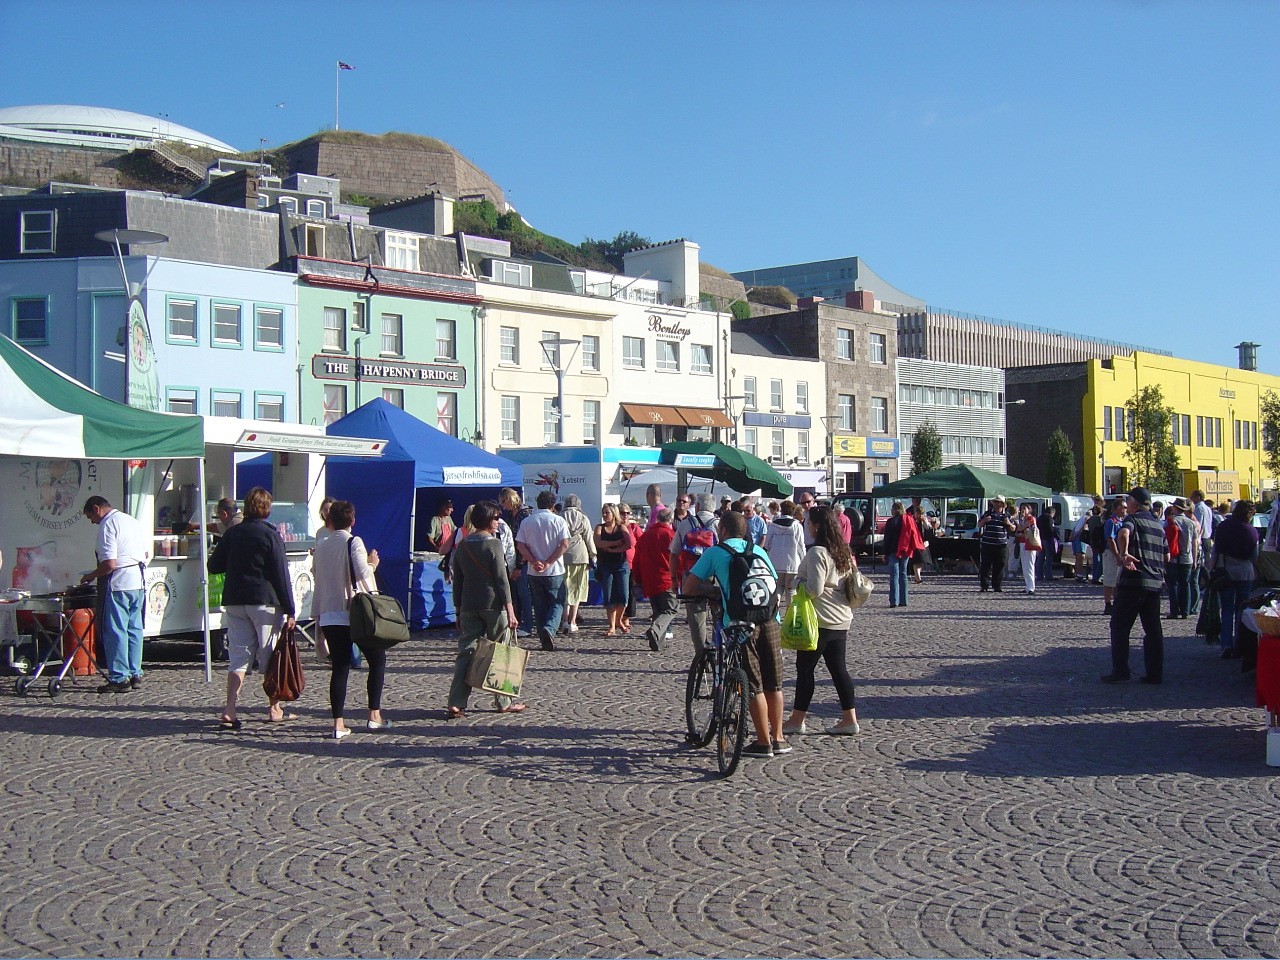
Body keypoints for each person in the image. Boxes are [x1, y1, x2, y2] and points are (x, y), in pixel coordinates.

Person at [681, 509, 786, 759]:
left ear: (723, 530)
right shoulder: (759, 551)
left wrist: (714, 591)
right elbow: (773, 583)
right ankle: (779, 737)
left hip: (739, 623)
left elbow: (690, 586)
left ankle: (763, 743)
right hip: (770, 619)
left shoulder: (716, 552)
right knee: (774, 682)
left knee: (753, 684)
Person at [207, 487, 297, 727]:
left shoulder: (233, 533)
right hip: (264, 602)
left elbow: (213, 565)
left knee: (238, 657)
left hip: (235, 600)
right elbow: (281, 575)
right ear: (266, 509)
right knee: (268, 655)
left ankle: (229, 709)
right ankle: (274, 708)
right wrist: (290, 609)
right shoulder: (270, 535)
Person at [310, 500, 390, 739]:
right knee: (377, 660)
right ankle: (374, 715)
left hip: (329, 612)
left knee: (340, 667)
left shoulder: (322, 546)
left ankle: (338, 723)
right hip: (353, 613)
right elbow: (362, 572)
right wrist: (372, 563)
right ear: (353, 521)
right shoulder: (354, 542)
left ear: (330, 520)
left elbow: (318, 575)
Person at [784, 505, 862, 737]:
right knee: (839, 670)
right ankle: (850, 718)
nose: (807, 526)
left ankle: (797, 720)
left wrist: (795, 583)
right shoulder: (843, 550)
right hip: (841, 617)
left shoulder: (818, 552)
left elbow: (814, 589)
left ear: (816, 526)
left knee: (805, 669)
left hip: (820, 620)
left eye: (809, 522)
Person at [447, 500, 526, 718]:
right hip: (494, 606)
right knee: (501, 652)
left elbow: (458, 581)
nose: (498, 522)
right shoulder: (494, 545)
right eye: (495, 518)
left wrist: (457, 610)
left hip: (469, 606)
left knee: (466, 653)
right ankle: (503, 701)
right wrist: (510, 609)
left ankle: (456, 702)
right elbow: (502, 580)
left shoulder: (463, 545)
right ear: (487, 520)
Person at [79, 496, 148, 694]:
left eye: (90, 516)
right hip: (138, 581)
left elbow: (110, 563)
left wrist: (90, 576)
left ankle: (119, 677)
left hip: (118, 583)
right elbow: (144, 553)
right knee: (134, 628)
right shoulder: (131, 521)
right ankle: (135, 672)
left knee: (116, 630)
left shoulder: (108, 525)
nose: (92, 521)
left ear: (96, 508)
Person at [1102, 487, 1166, 684]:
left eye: (1128, 501)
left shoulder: (1133, 519)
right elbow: (1166, 553)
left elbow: (1122, 533)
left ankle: (1121, 671)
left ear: (1135, 504)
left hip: (1134, 581)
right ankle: (1155, 673)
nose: (1127, 505)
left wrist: (1124, 553)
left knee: (1120, 626)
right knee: (1153, 630)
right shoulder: (1158, 525)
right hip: (1155, 583)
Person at [515, 490, 570, 650]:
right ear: (553, 505)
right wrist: (548, 562)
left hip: (533, 571)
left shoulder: (527, 521)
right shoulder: (558, 521)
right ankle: (550, 628)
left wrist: (533, 561)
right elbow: (564, 544)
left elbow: (520, 545)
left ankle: (543, 636)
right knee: (557, 602)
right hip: (554, 570)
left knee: (539, 605)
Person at [671, 492, 720, 655]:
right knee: (718, 614)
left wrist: (674, 579)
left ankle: (701, 655)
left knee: (696, 617)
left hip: (691, 575)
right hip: (715, 576)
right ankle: (718, 649)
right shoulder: (719, 524)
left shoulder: (685, 524)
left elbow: (674, 553)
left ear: (697, 506)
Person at [1211, 499, 1260, 659]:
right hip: (1245, 572)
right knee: (1242, 609)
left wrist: (1212, 568)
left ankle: (1226, 645)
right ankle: (1241, 644)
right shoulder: (1252, 531)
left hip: (1226, 570)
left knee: (1226, 609)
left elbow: (1216, 550)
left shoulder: (1223, 526)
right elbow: (1255, 556)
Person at [633, 507, 677, 651]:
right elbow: (677, 558)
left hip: (649, 580)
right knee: (671, 609)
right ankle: (655, 630)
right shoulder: (670, 535)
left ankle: (659, 643)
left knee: (658, 610)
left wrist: (638, 579)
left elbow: (636, 559)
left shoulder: (645, 536)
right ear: (670, 520)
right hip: (666, 579)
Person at [594, 503, 634, 637]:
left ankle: (618, 620)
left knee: (623, 596)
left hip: (621, 564)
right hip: (605, 565)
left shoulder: (621, 527)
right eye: (603, 512)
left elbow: (628, 544)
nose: (605, 515)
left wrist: (613, 549)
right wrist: (616, 543)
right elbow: (598, 543)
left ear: (613, 514)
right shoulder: (599, 528)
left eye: (607, 512)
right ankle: (612, 625)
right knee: (609, 596)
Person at [500, 488, 535, 636]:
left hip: (523, 559)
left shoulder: (524, 514)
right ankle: (518, 621)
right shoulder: (511, 515)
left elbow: (525, 541)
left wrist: (519, 565)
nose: (502, 505)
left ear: (510, 499)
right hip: (512, 557)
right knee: (515, 593)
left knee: (523, 593)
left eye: (503, 501)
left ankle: (528, 625)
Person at [560, 494, 595, 635]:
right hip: (580, 556)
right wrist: (593, 555)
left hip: (563, 556)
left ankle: (563, 621)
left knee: (565, 589)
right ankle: (572, 621)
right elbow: (588, 538)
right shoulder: (583, 518)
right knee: (577, 589)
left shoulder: (559, 517)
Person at [763, 499, 806, 609]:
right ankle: (790, 616)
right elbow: (801, 546)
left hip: (776, 563)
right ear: (793, 512)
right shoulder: (797, 526)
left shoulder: (773, 525)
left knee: (778, 589)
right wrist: (804, 561)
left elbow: (767, 544)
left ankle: (774, 612)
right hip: (793, 564)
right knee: (790, 590)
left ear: (782, 511)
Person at [1165, 502, 1198, 620]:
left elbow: (1165, 540)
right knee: (1186, 584)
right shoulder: (1191, 523)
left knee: (1173, 585)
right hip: (1187, 557)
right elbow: (1195, 542)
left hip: (1173, 557)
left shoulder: (1170, 521)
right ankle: (1185, 611)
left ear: (1175, 508)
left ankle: (1174, 611)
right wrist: (1195, 559)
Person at [884, 502, 919, 608]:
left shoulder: (891, 521)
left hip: (893, 550)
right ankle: (904, 600)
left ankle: (894, 601)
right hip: (905, 550)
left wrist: (885, 553)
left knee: (894, 576)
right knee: (903, 574)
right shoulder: (908, 520)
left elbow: (887, 539)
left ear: (894, 510)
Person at [977, 497, 1015, 593]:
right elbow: (979, 525)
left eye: (999, 503)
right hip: (987, 543)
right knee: (985, 566)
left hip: (1001, 544)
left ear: (1003, 504)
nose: (997, 505)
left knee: (999, 566)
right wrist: (985, 520)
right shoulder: (988, 513)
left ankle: (997, 586)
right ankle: (984, 586)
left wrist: (1009, 523)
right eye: (996, 502)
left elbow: (1013, 528)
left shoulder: (1007, 515)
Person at [619, 504, 643, 632]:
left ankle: (626, 617)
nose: (626, 515)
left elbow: (642, 542)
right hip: (617, 564)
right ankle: (617, 618)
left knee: (630, 593)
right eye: (623, 513)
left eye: (627, 513)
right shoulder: (615, 528)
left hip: (632, 564)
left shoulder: (633, 528)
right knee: (619, 593)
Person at [1101, 498, 1127, 615]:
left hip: (1120, 553)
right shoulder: (1111, 522)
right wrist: (1116, 555)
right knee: (1109, 579)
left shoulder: (1122, 521)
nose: (1126, 510)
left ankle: (1117, 602)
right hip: (1111, 553)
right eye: (1124, 507)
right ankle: (1108, 604)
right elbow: (1110, 539)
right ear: (1118, 508)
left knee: (1118, 580)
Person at [1013, 503, 1041, 595]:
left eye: (1025, 508)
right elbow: (1017, 532)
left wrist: (1020, 527)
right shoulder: (1023, 519)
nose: (1023, 510)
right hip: (1022, 543)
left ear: (1029, 509)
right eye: (1022, 508)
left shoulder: (1030, 519)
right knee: (1025, 566)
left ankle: (1031, 587)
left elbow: (1021, 528)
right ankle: (1027, 586)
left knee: (1029, 565)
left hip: (1029, 544)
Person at [1036, 504, 1058, 582]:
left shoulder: (1039, 518)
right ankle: (1049, 575)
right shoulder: (1049, 518)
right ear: (1052, 512)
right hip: (1047, 539)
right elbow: (1051, 529)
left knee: (1040, 558)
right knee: (1049, 558)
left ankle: (1039, 575)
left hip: (1040, 539)